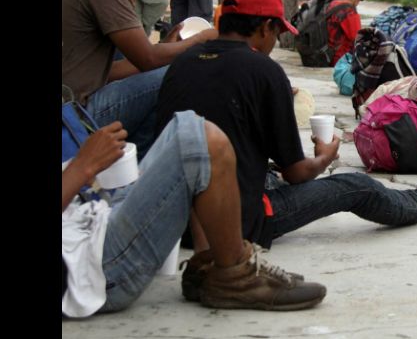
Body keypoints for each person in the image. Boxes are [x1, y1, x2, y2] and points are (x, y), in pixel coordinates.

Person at [155, 0, 417, 268]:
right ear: (265, 28)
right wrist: (325, 156)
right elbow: (296, 173)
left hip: (180, 218)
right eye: (278, 32)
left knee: (265, 172)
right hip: (235, 221)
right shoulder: (262, 71)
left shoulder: (182, 63)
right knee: (355, 186)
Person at [62, 111, 327, 317]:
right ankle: (235, 276)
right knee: (202, 141)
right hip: (94, 269)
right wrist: (82, 167)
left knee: (185, 122)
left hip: (84, 221)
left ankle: (208, 264)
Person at [62, 0, 217, 160]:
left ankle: (134, 161)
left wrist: (163, 50)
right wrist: (200, 39)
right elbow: (147, 59)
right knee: (179, 72)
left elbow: (111, 70)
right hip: (77, 115)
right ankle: (145, 166)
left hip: (74, 104)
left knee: (160, 70)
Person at [326, 0, 365, 65]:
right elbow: (357, 39)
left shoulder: (333, 4)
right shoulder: (350, 12)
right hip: (339, 59)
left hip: (326, 53)